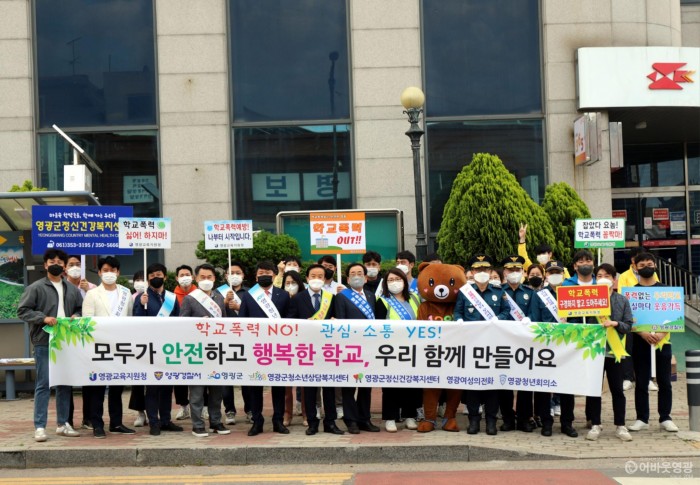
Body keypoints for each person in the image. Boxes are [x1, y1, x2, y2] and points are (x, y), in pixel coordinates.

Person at [18, 249, 82, 442]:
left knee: (64, 383)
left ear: (64, 266)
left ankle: (63, 424)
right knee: (43, 384)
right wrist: (42, 318)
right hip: (44, 341)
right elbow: (23, 311)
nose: (57, 264)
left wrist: (76, 316)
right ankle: (39, 426)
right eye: (52, 261)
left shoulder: (71, 288)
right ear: (45, 265)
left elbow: (79, 308)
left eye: (60, 261)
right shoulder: (36, 287)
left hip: (66, 340)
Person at [454, 254, 510, 436]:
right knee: (473, 385)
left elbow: (507, 311)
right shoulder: (465, 292)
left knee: (492, 385)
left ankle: (491, 422)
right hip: (472, 346)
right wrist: (459, 321)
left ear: (490, 271)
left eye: (485, 269)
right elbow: (458, 312)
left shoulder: (498, 291)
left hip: (493, 346)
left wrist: (497, 319)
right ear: (472, 272)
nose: (482, 272)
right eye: (478, 269)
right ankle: (474, 421)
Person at [81, 256, 135, 438]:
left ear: (118, 272)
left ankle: (116, 423)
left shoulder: (126, 293)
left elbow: (130, 319)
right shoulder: (92, 294)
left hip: (120, 346)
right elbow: (87, 321)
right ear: (99, 272)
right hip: (99, 346)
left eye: (113, 270)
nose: (109, 274)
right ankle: (97, 424)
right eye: (105, 270)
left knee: (117, 387)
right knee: (97, 387)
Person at [288, 264, 344, 436]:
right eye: (313, 275)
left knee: (329, 388)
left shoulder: (331, 297)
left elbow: (338, 319)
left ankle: (331, 422)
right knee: (310, 388)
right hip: (307, 350)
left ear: (324, 279)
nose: (316, 279)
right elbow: (290, 322)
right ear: (307, 278)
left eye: (320, 276)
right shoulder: (298, 298)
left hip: (327, 349)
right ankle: (312, 422)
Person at [627, 252, 679, 433]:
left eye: (649, 263)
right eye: (642, 265)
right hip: (640, 342)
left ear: (655, 266)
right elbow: (628, 320)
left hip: (662, 342)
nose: (646, 267)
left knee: (665, 381)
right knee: (641, 381)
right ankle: (642, 418)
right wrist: (642, 333)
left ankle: (665, 417)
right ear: (635, 268)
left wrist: (662, 334)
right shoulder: (631, 293)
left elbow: (674, 318)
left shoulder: (666, 291)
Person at [238, 261, 291, 436]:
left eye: (268, 272)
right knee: (255, 386)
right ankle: (257, 421)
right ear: (256, 276)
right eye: (261, 272)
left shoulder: (283, 295)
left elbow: (289, 321)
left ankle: (278, 421)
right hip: (256, 348)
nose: (264, 275)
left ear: (275, 275)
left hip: (278, 348)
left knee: (278, 386)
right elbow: (242, 321)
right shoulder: (248, 296)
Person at [180, 263, 231, 438]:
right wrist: (198, 323)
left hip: (216, 349)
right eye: (203, 277)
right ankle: (198, 425)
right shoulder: (190, 298)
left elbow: (224, 322)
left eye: (209, 277)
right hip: (197, 350)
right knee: (197, 391)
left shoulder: (218, 297)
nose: (206, 280)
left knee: (217, 390)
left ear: (215, 279)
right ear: (196, 278)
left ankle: (216, 421)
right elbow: (182, 323)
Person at [529, 260, 578, 438]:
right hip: (546, 346)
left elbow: (579, 320)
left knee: (566, 387)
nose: (554, 274)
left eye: (557, 271)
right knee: (543, 387)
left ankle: (567, 423)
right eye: (551, 272)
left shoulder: (572, 294)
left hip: (567, 346)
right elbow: (535, 319)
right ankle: (546, 422)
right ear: (546, 275)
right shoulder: (539, 295)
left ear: (563, 274)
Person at [584, 264, 633, 442]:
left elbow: (629, 325)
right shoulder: (589, 298)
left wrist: (615, 324)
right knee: (594, 390)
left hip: (615, 351)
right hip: (595, 352)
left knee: (617, 390)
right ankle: (595, 424)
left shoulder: (622, 300)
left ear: (614, 279)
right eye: (599, 275)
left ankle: (620, 425)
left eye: (606, 275)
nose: (602, 278)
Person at [133, 263, 183, 436]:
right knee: (153, 387)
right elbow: (136, 322)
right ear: (148, 278)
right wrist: (141, 304)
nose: (156, 277)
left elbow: (178, 320)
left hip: (168, 347)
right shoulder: (143, 297)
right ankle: (153, 421)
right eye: (152, 275)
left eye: (159, 274)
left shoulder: (172, 297)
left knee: (167, 387)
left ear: (165, 277)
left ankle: (166, 420)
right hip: (150, 347)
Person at [375, 268, 422, 432]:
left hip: (412, 347)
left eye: (398, 279)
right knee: (391, 384)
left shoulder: (415, 298)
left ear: (404, 280)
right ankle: (390, 417)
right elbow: (379, 325)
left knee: (412, 384)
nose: (395, 282)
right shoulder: (382, 301)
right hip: (391, 349)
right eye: (390, 280)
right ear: (386, 284)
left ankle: (410, 416)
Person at [335, 263, 379, 434]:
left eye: (360, 273)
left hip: (368, 347)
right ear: (347, 279)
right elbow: (341, 322)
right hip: (350, 348)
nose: (356, 276)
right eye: (353, 273)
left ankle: (364, 419)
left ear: (366, 277)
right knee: (349, 386)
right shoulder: (341, 297)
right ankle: (351, 420)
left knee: (366, 385)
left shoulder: (370, 296)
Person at [499, 255, 534, 433]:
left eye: (517, 270)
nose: (514, 273)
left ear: (523, 272)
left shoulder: (530, 292)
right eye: (510, 270)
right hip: (503, 343)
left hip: (524, 343)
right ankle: (507, 418)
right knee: (504, 382)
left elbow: (534, 316)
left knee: (525, 383)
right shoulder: (498, 291)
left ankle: (524, 419)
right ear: (504, 272)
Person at [617, 246, 659, 392]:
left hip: (649, 317)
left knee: (647, 349)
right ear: (633, 260)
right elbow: (623, 295)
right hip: (632, 319)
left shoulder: (652, 274)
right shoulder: (624, 276)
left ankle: (649, 379)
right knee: (629, 348)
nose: (644, 264)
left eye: (648, 261)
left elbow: (656, 291)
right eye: (639, 259)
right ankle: (628, 378)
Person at [64, 255, 94, 430]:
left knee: (88, 380)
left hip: (87, 340)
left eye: (78, 264)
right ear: (65, 268)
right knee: (66, 380)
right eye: (71, 265)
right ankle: (67, 419)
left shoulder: (92, 288)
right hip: (66, 340)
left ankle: (88, 418)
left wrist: (88, 289)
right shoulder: (61, 287)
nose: (75, 267)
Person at [221, 261, 251, 426]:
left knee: (246, 378)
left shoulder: (251, 293)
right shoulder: (219, 293)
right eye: (231, 272)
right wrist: (225, 304)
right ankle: (229, 410)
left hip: (245, 340)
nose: (234, 275)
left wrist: (240, 307)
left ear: (243, 275)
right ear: (225, 276)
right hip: (225, 340)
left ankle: (250, 409)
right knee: (227, 378)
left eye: (237, 272)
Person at [281, 270, 307, 427]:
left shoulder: (303, 298)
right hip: (284, 345)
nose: (290, 286)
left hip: (303, 344)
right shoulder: (280, 298)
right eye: (287, 283)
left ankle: (305, 413)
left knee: (304, 383)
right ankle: (287, 413)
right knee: (286, 383)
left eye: (294, 283)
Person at [173, 264, 196, 421]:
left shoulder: (200, 293)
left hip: (197, 340)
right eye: (181, 275)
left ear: (193, 276)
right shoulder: (171, 296)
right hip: (178, 340)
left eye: (187, 274)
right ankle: (183, 406)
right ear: (176, 278)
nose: (185, 277)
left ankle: (203, 407)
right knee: (180, 376)